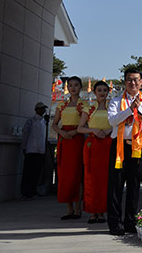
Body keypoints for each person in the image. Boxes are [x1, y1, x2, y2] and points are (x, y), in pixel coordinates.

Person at [107, 68, 142, 235]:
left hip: (139, 147)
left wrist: (139, 108)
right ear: (125, 82)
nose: (133, 83)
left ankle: (130, 221)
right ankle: (115, 223)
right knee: (116, 185)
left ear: (141, 82)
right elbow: (112, 120)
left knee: (134, 184)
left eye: (136, 80)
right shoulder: (116, 101)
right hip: (120, 146)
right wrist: (130, 109)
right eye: (129, 79)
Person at [51, 76, 88, 220]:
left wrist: (73, 132)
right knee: (65, 175)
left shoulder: (84, 105)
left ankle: (78, 209)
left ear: (80, 87)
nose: (73, 88)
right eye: (70, 85)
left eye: (76, 85)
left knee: (76, 174)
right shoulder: (62, 105)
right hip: (64, 141)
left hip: (77, 140)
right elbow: (54, 124)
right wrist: (61, 133)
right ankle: (69, 209)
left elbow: (85, 124)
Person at [78, 81, 112, 224]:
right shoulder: (89, 108)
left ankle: (102, 211)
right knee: (91, 178)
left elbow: (118, 124)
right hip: (92, 145)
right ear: (94, 92)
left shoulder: (112, 108)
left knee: (105, 179)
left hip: (108, 144)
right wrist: (93, 130)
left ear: (108, 92)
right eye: (99, 90)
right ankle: (92, 212)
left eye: (105, 90)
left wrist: (109, 130)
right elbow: (80, 128)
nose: (102, 93)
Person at [20, 102, 48, 200]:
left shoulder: (44, 122)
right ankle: (25, 192)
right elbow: (25, 135)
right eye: (41, 109)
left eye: (44, 109)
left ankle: (32, 190)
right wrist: (24, 147)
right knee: (28, 173)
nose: (43, 111)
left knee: (36, 173)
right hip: (31, 150)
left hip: (40, 150)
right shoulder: (31, 121)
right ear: (37, 110)